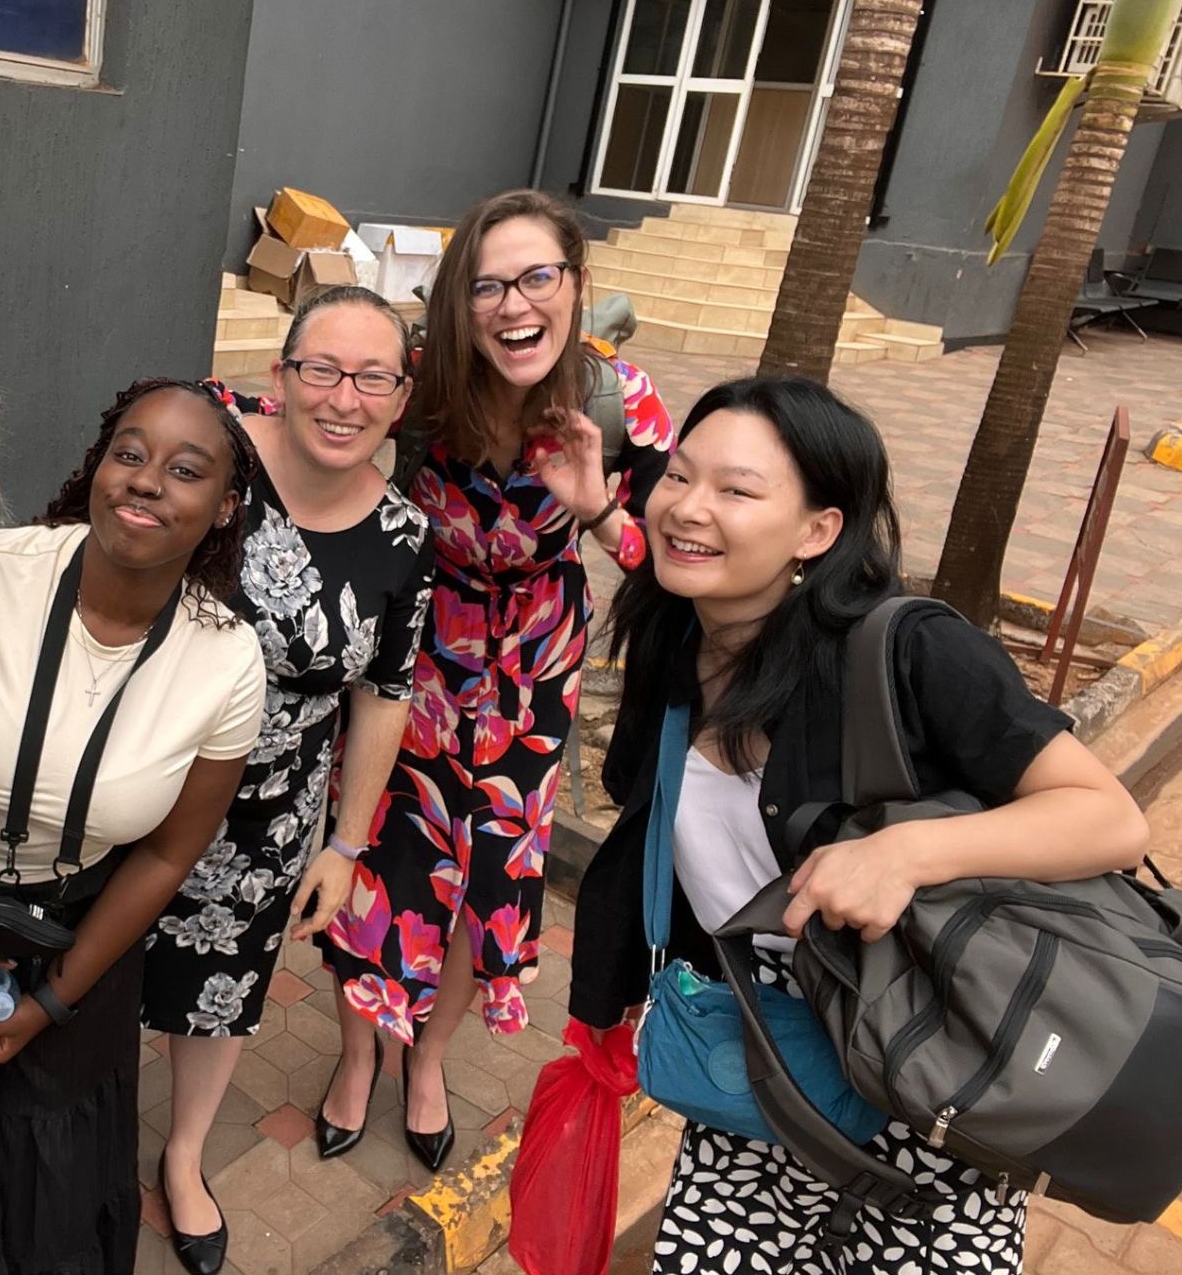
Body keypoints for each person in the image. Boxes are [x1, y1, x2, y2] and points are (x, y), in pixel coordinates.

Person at [570, 375, 1149, 1273]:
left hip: (930, 1097)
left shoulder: (909, 651)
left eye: (736, 490)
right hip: (762, 1075)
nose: (688, 508)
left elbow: (1108, 819)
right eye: (678, 475)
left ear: (818, 531)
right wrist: (600, 514)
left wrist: (907, 850)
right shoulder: (672, 635)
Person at [0, 378, 266, 1275]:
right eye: (129, 453)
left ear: (223, 508)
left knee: (59, 1177)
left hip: (87, 927)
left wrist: (51, 1002)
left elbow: (168, 853)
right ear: (96, 468)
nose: (147, 480)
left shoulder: (228, 658)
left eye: (186, 469)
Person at [318, 189, 675, 1171]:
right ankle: (358, 1055)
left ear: (574, 285)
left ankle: (427, 1057)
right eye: (487, 285)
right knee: (380, 860)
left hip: (536, 666)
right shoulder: (423, 386)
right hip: (420, 656)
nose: (513, 303)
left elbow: (673, 564)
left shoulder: (619, 400)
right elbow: (322, 432)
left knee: (490, 874)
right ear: (457, 302)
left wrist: (599, 508)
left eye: (536, 277)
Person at [138, 287, 434, 1274]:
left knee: (219, 994)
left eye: (372, 377)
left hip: (270, 811)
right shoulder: (201, 451)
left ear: (400, 395)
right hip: (131, 774)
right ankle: (69, 1138)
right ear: (281, 375)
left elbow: (385, 696)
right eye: (322, 370)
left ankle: (184, 1159)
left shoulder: (404, 539)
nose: (344, 397)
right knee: (87, 966)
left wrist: (346, 846)